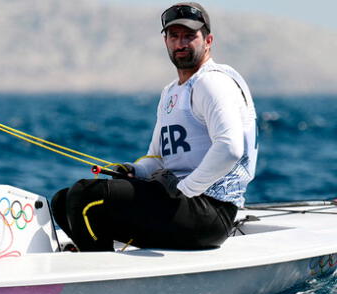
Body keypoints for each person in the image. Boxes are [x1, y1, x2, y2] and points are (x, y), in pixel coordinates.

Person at [51, 2, 258, 251]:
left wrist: (185, 189)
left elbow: (229, 149)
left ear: (208, 40)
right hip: (179, 204)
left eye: (190, 36)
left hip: (210, 212)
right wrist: (134, 171)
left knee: (85, 196)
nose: (180, 43)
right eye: (174, 36)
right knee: (63, 200)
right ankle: (97, 259)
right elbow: (158, 159)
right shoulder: (171, 92)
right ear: (165, 41)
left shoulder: (211, 82)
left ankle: (93, 272)